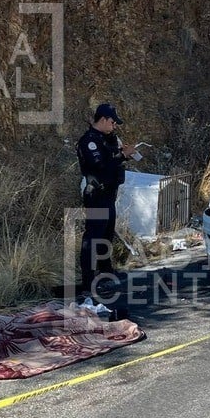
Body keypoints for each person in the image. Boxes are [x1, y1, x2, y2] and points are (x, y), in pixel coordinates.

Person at [76, 103, 135, 296]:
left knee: (106, 234)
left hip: (109, 194)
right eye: (112, 122)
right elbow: (100, 166)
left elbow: (113, 160)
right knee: (92, 237)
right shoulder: (89, 141)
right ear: (102, 120)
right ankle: (88, 281)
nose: (114, 126)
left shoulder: (108, 139)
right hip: (96, 194)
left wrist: (123, 153)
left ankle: (105, 271)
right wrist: (121, 156)